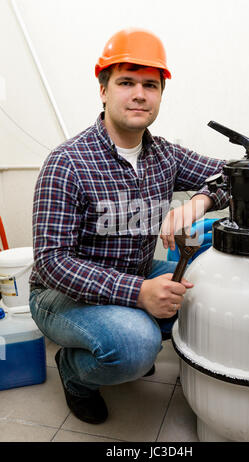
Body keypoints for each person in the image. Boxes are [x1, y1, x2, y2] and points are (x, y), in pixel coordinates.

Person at [29, 28, 228, 424]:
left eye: (150, 85)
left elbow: (231, 176)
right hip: (59, 295)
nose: (139, 94)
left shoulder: (164, 155)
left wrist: (200, 203)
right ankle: (75, 373)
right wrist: (139, 293)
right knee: (137, 344)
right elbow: (52, 262)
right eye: (126, 82)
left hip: (134, 273)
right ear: (103, 91)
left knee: (212, 290)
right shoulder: (67, 163)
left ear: (159, 95)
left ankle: (127, 338)